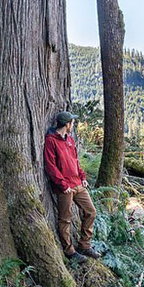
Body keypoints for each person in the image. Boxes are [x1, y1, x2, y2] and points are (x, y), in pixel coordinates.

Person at [43, 111, 101, 260]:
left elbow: (75, 161)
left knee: (91, 212)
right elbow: (51, 166)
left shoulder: (70, 140)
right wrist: (62, 184)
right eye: (72, 123)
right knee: (65, 219)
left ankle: (84, 245)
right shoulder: (51, 141)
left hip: (78, 184)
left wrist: (82, 177)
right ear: (67, 124)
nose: (73, 125)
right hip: (65, 187)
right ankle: (69, 251)